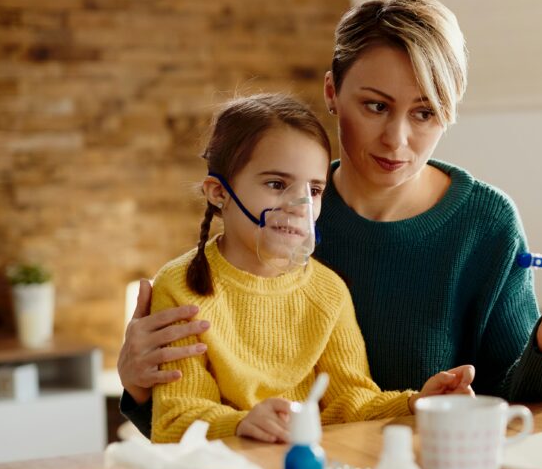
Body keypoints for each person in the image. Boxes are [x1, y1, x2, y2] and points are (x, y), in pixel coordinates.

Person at [119, 0, 542, 439]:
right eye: (376, 106)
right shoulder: (271, 216)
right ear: (333, 93)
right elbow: (191, 420)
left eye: (425, 113)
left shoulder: (486, 224)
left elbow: (520, 416)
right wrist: (141, 388)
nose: (396, 140)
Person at [148, 93, 473, 444]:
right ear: (218, 192)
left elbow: (351, 401)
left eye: (314, 190)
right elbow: (175, 419)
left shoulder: (327, 291)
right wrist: (241, 424)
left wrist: (414, 403)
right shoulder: (180, 287)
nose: (299, 206)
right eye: (276, 184)